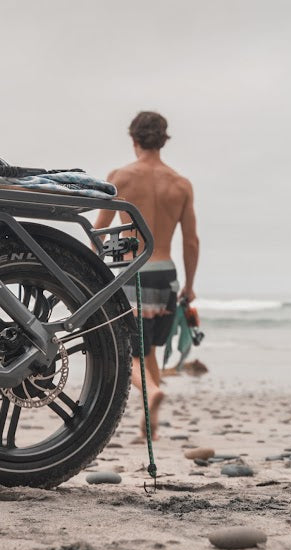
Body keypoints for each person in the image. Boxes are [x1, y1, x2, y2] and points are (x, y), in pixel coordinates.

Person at [93, 111, 200, 442]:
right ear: (164, 140)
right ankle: (149, 424)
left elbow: (98, 231)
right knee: (149, 347)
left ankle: (151, 390)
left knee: (129, 351)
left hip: (132, 270)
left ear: (133, 138)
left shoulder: (121, 177)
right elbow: (191, 240)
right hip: (166, 273)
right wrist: (190, 286)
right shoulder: (181, 184)